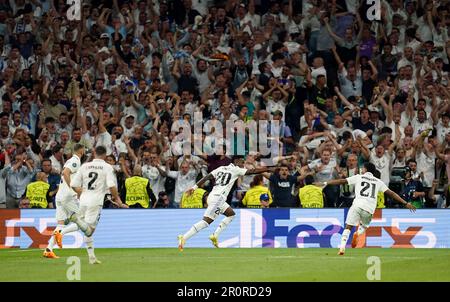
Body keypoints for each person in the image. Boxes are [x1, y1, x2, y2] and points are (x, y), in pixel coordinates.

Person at [315, 162, 416, 255]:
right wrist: (405, 203)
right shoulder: (378, 182)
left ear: (366, 169)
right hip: (369, 208)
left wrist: (325, 183)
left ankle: (342, 248)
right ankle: (358, 233)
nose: (361, 170)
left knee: (348, 227)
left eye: (363, 168)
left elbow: (342, 181)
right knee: (364, 226)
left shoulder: (359, 177)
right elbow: (391, 193)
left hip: (357, 205)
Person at [178, 160, 274, 250]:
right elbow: (252, 171)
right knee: (206, 222)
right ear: (238, 163)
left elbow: (207, 177)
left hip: (212, 196)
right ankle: (184, 237)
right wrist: (267, 169)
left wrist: (194, 187)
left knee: (231, 214)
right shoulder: (236, 169)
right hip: (218, 198)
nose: (243, 166)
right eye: (242, 164)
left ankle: (215, 236)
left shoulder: (220, 168)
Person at [69, 146, 128, 264]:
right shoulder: (107, 167)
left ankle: (92, 258)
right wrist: (118, 201)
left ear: (94, 153)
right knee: (89, 230)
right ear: (105, 155)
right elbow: (111, 186)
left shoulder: (84, 166)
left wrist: (83, 193)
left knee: (88, 230)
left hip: (83, 199)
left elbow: (74, 184)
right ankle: (76, 219)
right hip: (96, 201)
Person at [43, 144, 85, 259]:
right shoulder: (75, 160)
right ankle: (61, 233)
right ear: (81, 151)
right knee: (82, 221)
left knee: (60, 224)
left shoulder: (69, 160)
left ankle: (48, 249)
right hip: (68, 196)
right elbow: (66, 172)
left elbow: (64, 172)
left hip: (60, 196)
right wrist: (74, 188)